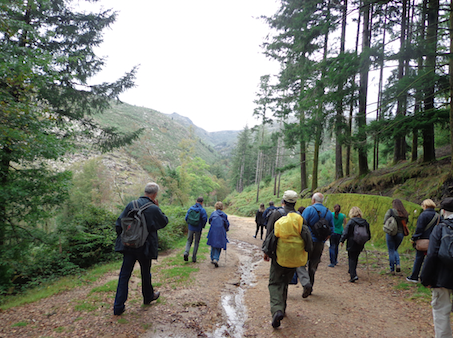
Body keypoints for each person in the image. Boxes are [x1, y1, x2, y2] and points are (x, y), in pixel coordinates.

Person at [113, 182, 169, 316]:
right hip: (145, 247)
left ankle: (118, 307)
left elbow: (119, 223)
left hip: (129, 247)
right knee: (145, 272)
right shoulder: (153, 208)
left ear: (144, 192)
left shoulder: (131, 204)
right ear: (155, 194)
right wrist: (158, 208)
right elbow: (164, 222)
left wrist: (126, 239)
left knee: (124, 275)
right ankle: (148, 297)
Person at [263, 190, 308, 328]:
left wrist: (266, 251)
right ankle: (283, 308)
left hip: (279, 255)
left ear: (283, 200)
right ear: (295, 202)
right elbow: (306, 237)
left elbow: (270, 233)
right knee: (284, 281)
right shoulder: (299, 217)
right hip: (294, 256)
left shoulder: (277, 214)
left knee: (275, 282)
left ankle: (277, 310)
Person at [420, 197, 453, 338]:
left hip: (442, 278)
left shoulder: (440, 228)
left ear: (443, 211)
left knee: (441, 313)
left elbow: (432, 255)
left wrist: (425, 278)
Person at [299, 192, 334, 297]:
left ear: (313, 200)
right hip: (320, 242)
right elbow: (332, 229)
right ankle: (311, 285)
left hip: (308, 241)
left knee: (301, 263)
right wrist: (324, 238)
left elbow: (301, 224)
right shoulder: (328, 212)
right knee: (313, 264)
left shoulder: (309, 209)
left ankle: (306, 283)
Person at [407, 199, 439, 283]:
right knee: (431, 260)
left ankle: (414, 276)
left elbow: (419, 228)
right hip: (434, 241)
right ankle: (428, 278)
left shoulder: (423, 215)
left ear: (425, 206)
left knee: (419, 258)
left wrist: (414, 238)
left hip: (423, 241)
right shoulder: (438, 216)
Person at [340, 207, 371, 282]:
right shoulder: (365, 222)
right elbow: (369, 235)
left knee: (351, 258)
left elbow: (346, 232)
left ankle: (353, 275)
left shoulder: (351, 222)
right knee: (356, 257)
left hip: (352, 242)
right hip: (360, 243)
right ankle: (352, 270)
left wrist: (342, 240)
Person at [383, 198, 409, 274]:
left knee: (391, 250)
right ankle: (398, 264)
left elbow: (385, 220)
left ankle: (392, 270)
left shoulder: (391, 211)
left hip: (391, 233)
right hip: (400, 234)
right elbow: (406, 223)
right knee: (395, 249)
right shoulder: (405, 213)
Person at [183, 197, 208, 263]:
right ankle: (194, 257)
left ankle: (186, 252)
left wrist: (189, 224)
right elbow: (204, 219)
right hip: (198, 228)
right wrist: (202, 226)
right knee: (196, 242)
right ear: (202, 202)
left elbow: (186, 218)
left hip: (191, 227)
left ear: (196, 201)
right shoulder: (202, 210)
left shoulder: (191, 208)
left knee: (189, 240)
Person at [207, 201, 230, 267]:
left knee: (213, 244)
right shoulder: (224, 215)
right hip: (221, 231)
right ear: (222, 207)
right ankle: (216, 259)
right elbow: (227, 224)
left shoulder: (213, 213)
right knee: (219, 245)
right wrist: (226, 229)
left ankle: (213, 258)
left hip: (213, 231)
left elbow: (209, 221)